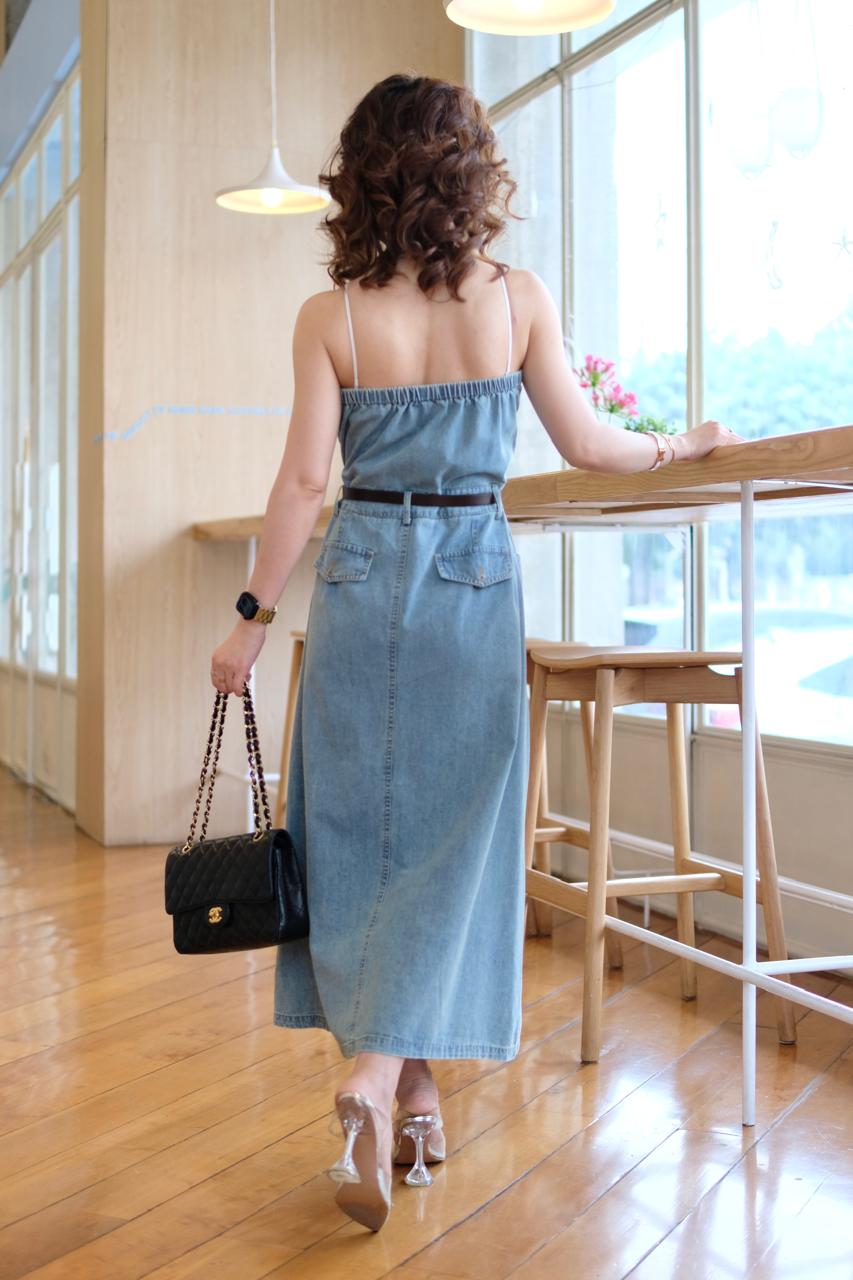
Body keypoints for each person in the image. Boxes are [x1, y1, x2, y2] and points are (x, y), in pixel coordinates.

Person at [209, 73, 743, 1232]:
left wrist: (249, 618)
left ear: (362, 174)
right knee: (455, 842)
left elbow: (302, 483)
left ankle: (397, 1085)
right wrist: (682, 444)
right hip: (470, 579)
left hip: (360, 580)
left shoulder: (332, 317)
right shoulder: (517, 300)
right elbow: (589, 443)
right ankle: (390, 1081)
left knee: (356, 834)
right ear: (467, 172)